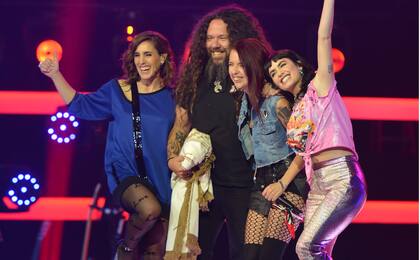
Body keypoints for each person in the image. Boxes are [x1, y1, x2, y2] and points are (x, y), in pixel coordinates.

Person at [39, 31, 176, 260]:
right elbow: (80, 105)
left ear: (162, 58)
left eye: (148, 54)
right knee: (149, 210)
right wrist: (55, 75)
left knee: (155, 251)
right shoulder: (117, 90)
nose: (141, 61)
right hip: (126, 174)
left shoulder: (174, 97)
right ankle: (125, 249)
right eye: (137, 55)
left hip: (162, 178)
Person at [264, 0, 367, 259]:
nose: (278, 72)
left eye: (282, 65)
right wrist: (282, 182)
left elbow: (323, 36)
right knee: (312, 253)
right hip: (318, 184)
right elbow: (303, 154)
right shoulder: (297, 109)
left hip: (341, 178)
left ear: (298, 65)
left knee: (306, 247)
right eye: (273, 73)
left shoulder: (321, 86)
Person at [166, 5, 270, 260]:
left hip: (244, 184)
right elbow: (181, 124)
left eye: (222, 38)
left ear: (237, 38)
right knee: (196, 252)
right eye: (210, 38)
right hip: (205, 184)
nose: (214, 44)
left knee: (243, 253)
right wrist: (172, 159)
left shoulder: (251, 77)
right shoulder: (193, 78)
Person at [228, 38, 308, 260]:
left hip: (290, 182)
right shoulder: (247, 102)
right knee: (248, 256)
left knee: (268, 256)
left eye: (240, 65)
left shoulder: (278, 103)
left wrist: (282, 184)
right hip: (261, 183)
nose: (234, 71)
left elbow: (305, 148)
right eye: (230, 64)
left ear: (253, 65)